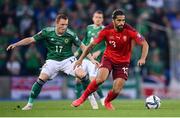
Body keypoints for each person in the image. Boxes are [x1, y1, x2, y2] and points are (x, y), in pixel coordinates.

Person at [7, 13, 98, 110]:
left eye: (66, 24)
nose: (64, 27)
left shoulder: (70, 34)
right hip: (52, 61)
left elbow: (83, 47)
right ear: (56, 23)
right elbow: (31, 39)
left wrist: (92, 59)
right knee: (41, 79)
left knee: (82, 74)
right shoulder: (47, 31)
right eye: (62, 24)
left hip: (68, 60)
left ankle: (91, 97)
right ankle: (29, 104)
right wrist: (16, 44)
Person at [71, 9, 149, 110]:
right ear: (113, 21)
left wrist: (143, 58)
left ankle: (107, 101)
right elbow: (90, 45)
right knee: (100, 79)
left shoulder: (129, 30)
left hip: (123, 62)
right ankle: (82, 98)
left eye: (123, 20)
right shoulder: (106, 30)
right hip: (109, 58)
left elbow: (145, 44)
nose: (122, 23)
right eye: (119, 20)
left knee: (117, 89)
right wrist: (80, 59)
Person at [74, 10, 106, 107]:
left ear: (102, 19)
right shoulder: (89, 28)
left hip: (96, 60)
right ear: (93, 18)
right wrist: (78, 52)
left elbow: (108, 45)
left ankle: (102, 99)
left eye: (100, 17)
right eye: (96, 17)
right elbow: (85, 41)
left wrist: (99, 51)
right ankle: (78, 100)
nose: (98, 19)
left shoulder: (105, 30)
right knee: (78, 79)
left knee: (93, 81)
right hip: (86, 57)